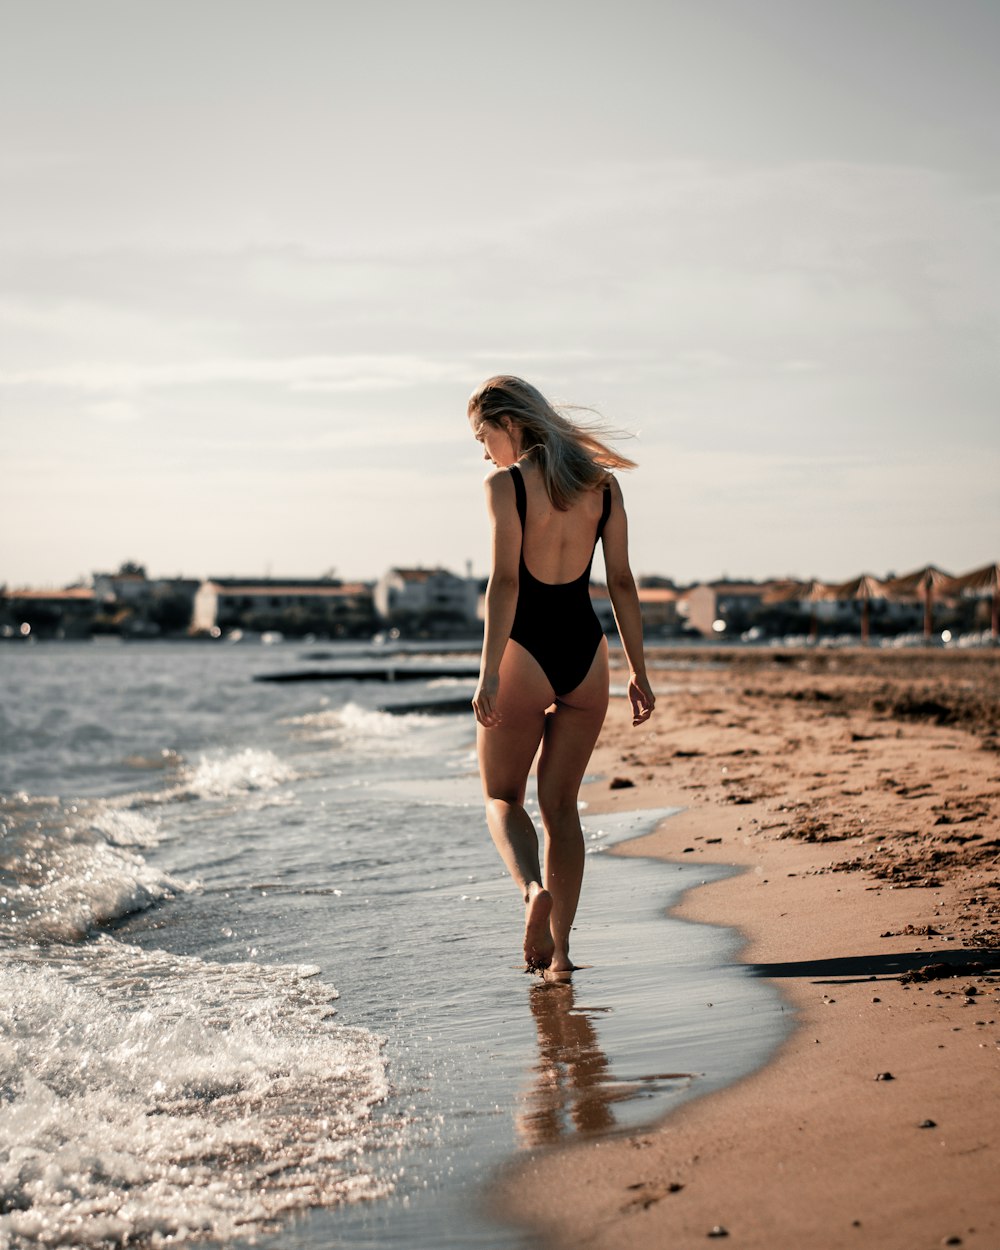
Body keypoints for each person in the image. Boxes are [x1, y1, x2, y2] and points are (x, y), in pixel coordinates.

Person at [468, 376, 655, 978]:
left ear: (510, 424)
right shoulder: (603, 485)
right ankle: (563, 955)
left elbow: (506, 583)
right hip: (587, 656)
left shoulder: (506, 485)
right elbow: (621, 583)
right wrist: (639, 672)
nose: (484, 449)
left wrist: (487, 674)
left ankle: (530, 892)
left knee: (501, 797)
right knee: (562, 809)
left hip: (524, 652)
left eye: (483, 435)